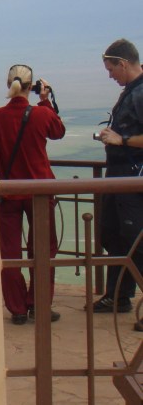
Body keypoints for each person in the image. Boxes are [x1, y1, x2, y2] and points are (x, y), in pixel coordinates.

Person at [0, 64, 65, 325]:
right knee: (43, 249)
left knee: (9, 251)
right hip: (40, 191)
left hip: (9, 192)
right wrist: (46, 100)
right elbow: (58, 131)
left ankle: (16, 308)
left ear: (8, 85)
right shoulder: (40, 114)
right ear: (31, 87)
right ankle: (38, 304)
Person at [92, 38, 143, 321]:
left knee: (136, 240)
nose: (110, 75)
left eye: (111, 69)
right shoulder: (132, 90)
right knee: (112, 234)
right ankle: (118, 295)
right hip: (119, 176)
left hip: (133, 179)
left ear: (123, 63)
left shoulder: (141, 93)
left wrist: (120, 139)